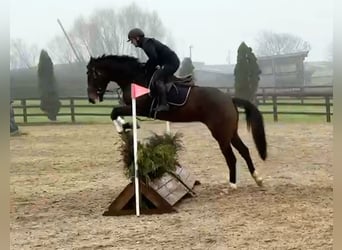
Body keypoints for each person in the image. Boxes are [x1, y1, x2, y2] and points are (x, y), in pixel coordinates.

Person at [127, 28, 180, 112]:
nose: (132, 43)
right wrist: (146, 67)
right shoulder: (146, 43)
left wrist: (147, 67)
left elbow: (154, 58)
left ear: (137, 38)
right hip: (166, 63)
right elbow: (153, 59)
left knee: (157, 78)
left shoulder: (147, 44)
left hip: (171, 63)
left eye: (131, 40)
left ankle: (164, 104)